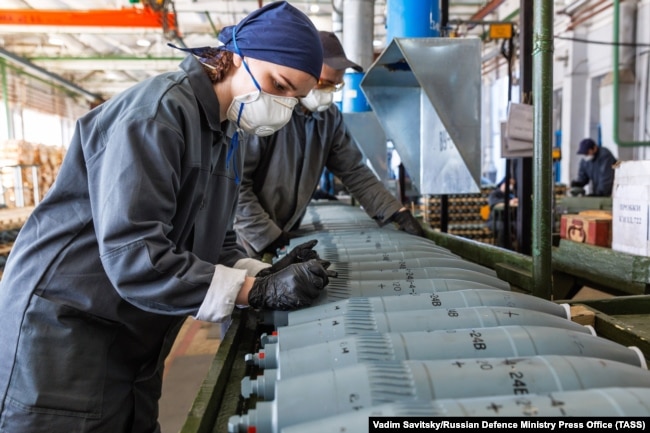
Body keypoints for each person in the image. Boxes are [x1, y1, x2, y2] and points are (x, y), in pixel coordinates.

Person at [0, 3, 335, 432]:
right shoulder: (157, 115)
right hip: (68, 331)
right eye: (278, 85)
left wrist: (265, 273)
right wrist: (255, 293)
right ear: (234, 57)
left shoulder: (224, 132)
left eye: (294, 97)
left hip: (132, 328)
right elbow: (134, 253)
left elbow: (213, 241)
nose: (283, 106)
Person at [234, 31, 425, 260]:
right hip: (242, 237)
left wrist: (395, 211)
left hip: (281, 233)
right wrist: (267, 235)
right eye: (324, 84)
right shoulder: (269, 111)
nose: (328, 94)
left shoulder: (329, 119)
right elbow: (235, 185)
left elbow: (353, 171)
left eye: (335, 86)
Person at [486, 177, 518, 247]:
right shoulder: (495, 193)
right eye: (509, 184)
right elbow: (493, 203)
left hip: (509, 221)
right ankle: (503, 249)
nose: (511, 186)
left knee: (519, 226)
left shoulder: (512, 195)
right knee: (503, 227)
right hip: (495, 221)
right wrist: (509, 203)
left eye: (512, 184)